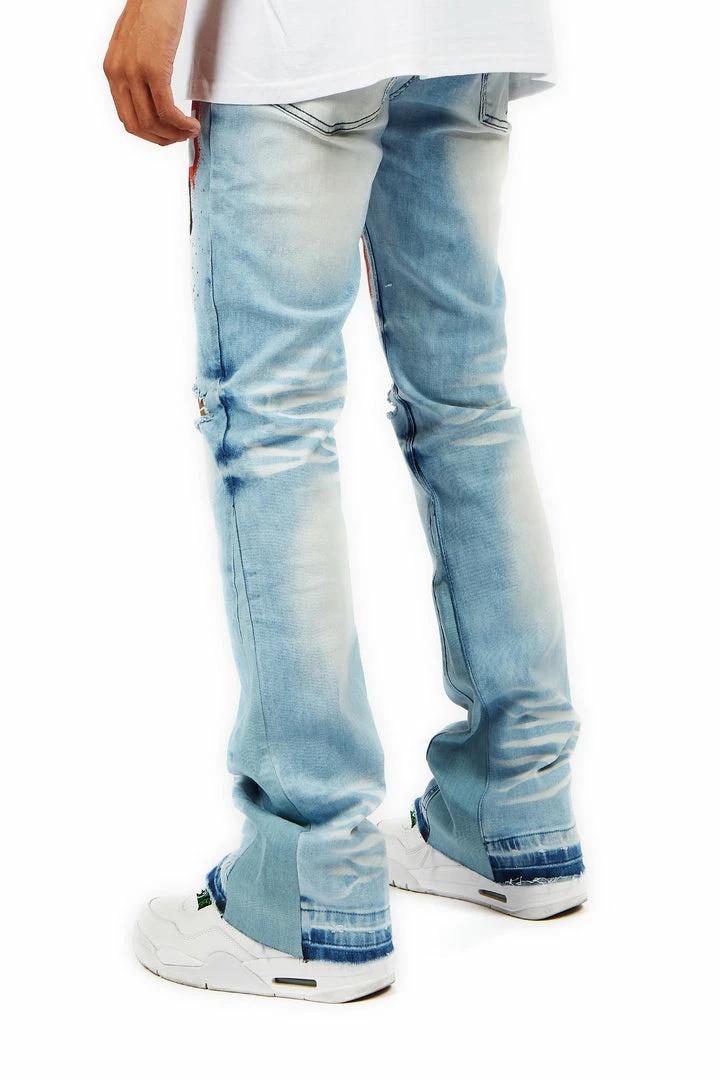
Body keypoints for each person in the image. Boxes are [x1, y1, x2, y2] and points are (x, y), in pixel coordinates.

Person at [103, 0, 587, 1004]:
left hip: (304, 34)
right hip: (467, 28)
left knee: (273, 426)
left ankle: (309, 885)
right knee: (465, 402)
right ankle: (515, 815)